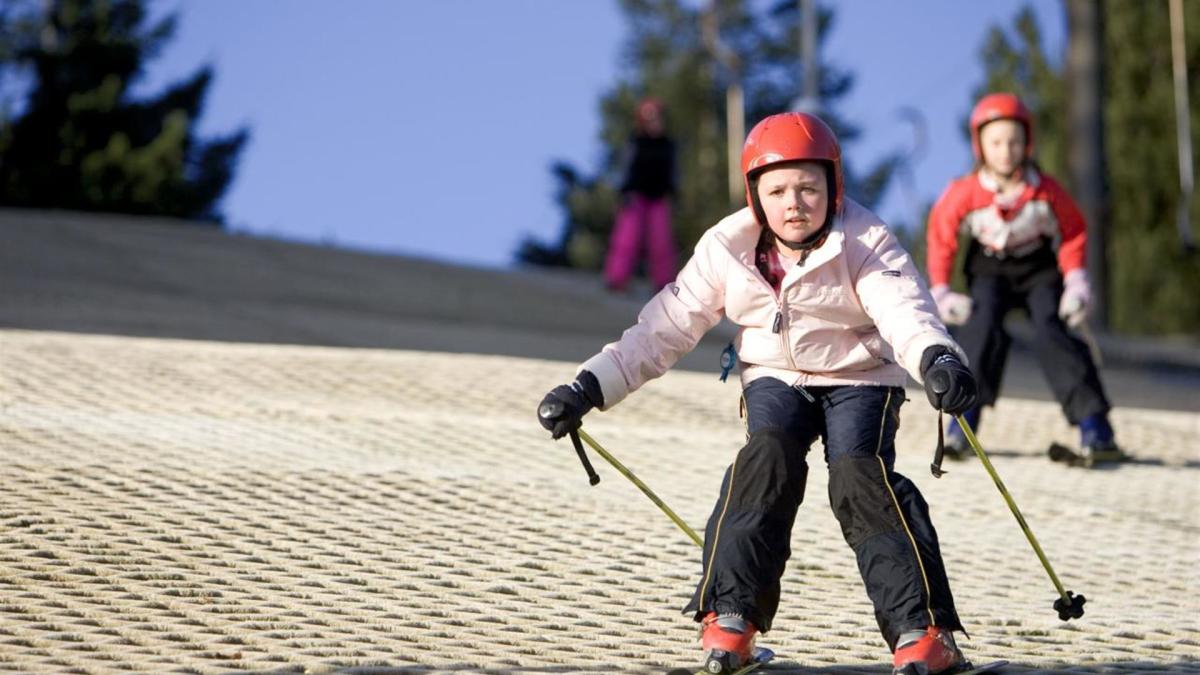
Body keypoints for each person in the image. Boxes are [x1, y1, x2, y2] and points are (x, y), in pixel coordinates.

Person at [539, 112, 981, 675]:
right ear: (754, 195)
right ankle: (731, 619)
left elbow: (905, 312)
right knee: (766, 457)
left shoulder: (865, 240)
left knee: (858, 474)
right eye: (776, 190)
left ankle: (921, 631)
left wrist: (936, 358)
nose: (793, 203)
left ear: (833, 188)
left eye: (808, 188)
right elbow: (662, 330)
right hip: (775, 373)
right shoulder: (727, 247)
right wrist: (587, 386)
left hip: (861, 374)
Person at [925, 93, 1123, 466]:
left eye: (1014, 141)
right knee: (980, 329)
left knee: (1054, 329)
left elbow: (1073, 231)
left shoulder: (1045, 190)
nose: (1006, 151)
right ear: (979, 145)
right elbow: (942, 236)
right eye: (996, 142)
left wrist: (1077, 281)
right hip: (989, 267)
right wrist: (942, 289)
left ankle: (1094, 426)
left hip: (1038, 269)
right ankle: (963, 425)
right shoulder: (965, 192)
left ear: (1027, 143)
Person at [603, 97, 679, 293]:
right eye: (649, 118)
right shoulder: (635, 142)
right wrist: (624, 193)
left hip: (659, 198)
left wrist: (673, 193)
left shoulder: (668, 145)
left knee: (661, 242)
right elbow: (626, 169)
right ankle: (616, 278)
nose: (653, 122)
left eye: (656, 117)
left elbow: (673, 172)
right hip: (635, 196)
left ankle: (663, 283)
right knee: (626, 239)